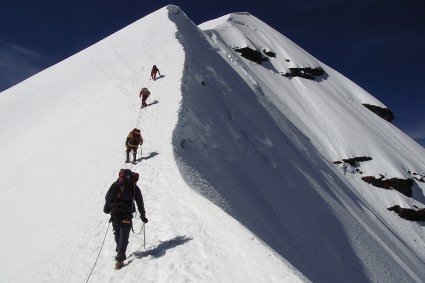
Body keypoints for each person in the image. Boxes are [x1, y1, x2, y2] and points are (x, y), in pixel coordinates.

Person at [103, 168, 148, 270]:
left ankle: (120, 253)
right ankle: (120, 257)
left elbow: (107, 196)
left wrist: (106, 208)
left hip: (115, 214)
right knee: (123, 236)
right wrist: (143, 216)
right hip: (126, 215)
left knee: (117, 234)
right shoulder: (134, 188)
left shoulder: (116, 184)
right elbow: (140, 203)